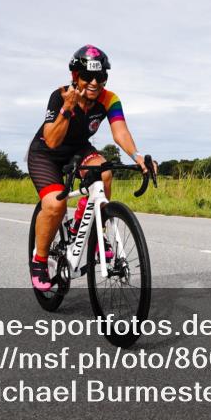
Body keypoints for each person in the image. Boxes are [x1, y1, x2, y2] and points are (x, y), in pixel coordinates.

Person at [26, 45, 153, 291]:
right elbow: (51, 140)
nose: (95, 82)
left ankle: (91, 228)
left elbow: (120, 131)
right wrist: (67, 108)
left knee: (104, 172)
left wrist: (137, 156)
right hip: (46, 154)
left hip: (78, 149)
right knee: (55, 205)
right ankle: (40, 260)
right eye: (87, 76)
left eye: (101, 76)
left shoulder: (109, 99)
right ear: (75, 76)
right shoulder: (60, 96)